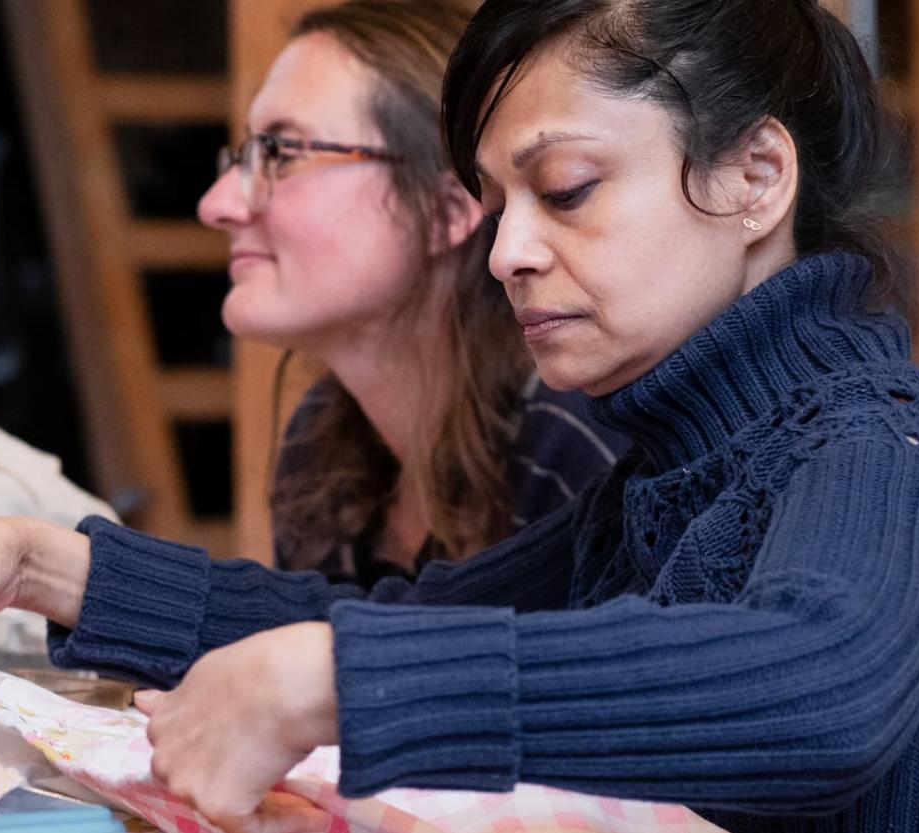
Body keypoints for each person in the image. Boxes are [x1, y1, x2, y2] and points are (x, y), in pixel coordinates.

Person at [0, 1, 919, 831]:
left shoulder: (890, 434)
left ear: (754, 177)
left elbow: (818, 687)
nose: (508, 251)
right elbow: (401, 621)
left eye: (565, 189)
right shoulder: (653, 482)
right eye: (495, 200)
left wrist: (338, 680)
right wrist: (51, 566)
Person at [201, 0, 623, 586]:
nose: (218, 205)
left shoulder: (573, 437)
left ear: (446, 211)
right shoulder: (322, 450)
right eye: (246, 156)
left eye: (283, 153)